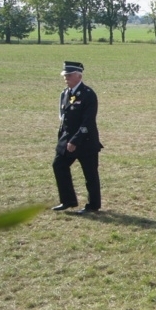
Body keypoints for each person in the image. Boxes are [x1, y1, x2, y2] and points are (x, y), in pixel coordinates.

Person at [52, 61, 103, 214]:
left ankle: (93, 205)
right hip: (67, 141)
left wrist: (75, 140)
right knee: (58, 165)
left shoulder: (88, 94)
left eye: (69, 75)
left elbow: (88, 121)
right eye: (65, 75)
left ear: (78, 76)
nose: (65, 78)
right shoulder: (65, 94)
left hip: (85, 142)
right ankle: (68, 200)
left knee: (90, 174)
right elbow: (64, 119)